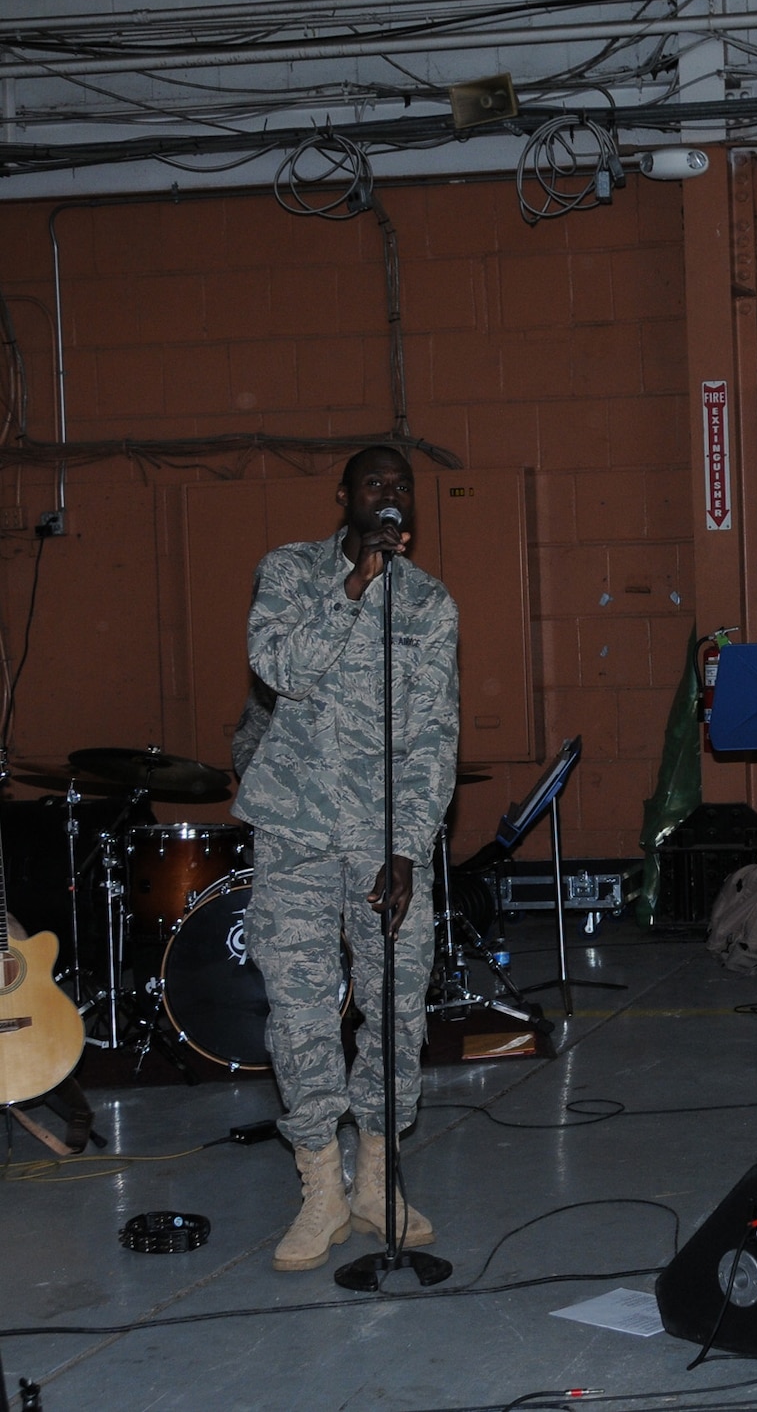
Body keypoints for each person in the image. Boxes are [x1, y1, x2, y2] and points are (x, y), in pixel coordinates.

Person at [233, 446, 460, 1271]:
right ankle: (320, 1186)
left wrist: (407, 844)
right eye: (375, 484)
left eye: (402, 485)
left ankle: (378, 1178)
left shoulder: (432, 606)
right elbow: (281, 667)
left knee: (397, 1010)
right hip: (294, 828)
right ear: (344, 497)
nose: (390, 495)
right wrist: (353, 587)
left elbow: (436, 735)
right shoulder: (291, 573)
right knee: (298, 1010)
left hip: (383, 838)